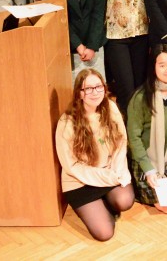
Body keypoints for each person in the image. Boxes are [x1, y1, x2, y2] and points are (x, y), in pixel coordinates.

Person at [55, 68, 134, 241]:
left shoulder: (111, 108)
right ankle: (101, 206)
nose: (95, 92)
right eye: (88, 89)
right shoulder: (67, 122)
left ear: (104, 89)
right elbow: (72, 167)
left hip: (108, 172)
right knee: (104, 234)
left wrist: (117, 171)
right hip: (80, 182)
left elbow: (121, 144)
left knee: (125, 201)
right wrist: (108, 177)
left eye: (98, 87)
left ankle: (105, 202)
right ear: (80, 93)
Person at [127, 45, 167, 213]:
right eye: (162, 65)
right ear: (153, 67)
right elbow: (134, 138)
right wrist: (148, 169)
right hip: (147, 160)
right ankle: (139, 188)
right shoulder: (140, 98)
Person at [100, 0, 148, 114]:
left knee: (139, 88)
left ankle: (138, 133)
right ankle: (124, 136)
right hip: (115, 37)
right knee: (125, 89)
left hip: (141, 33)